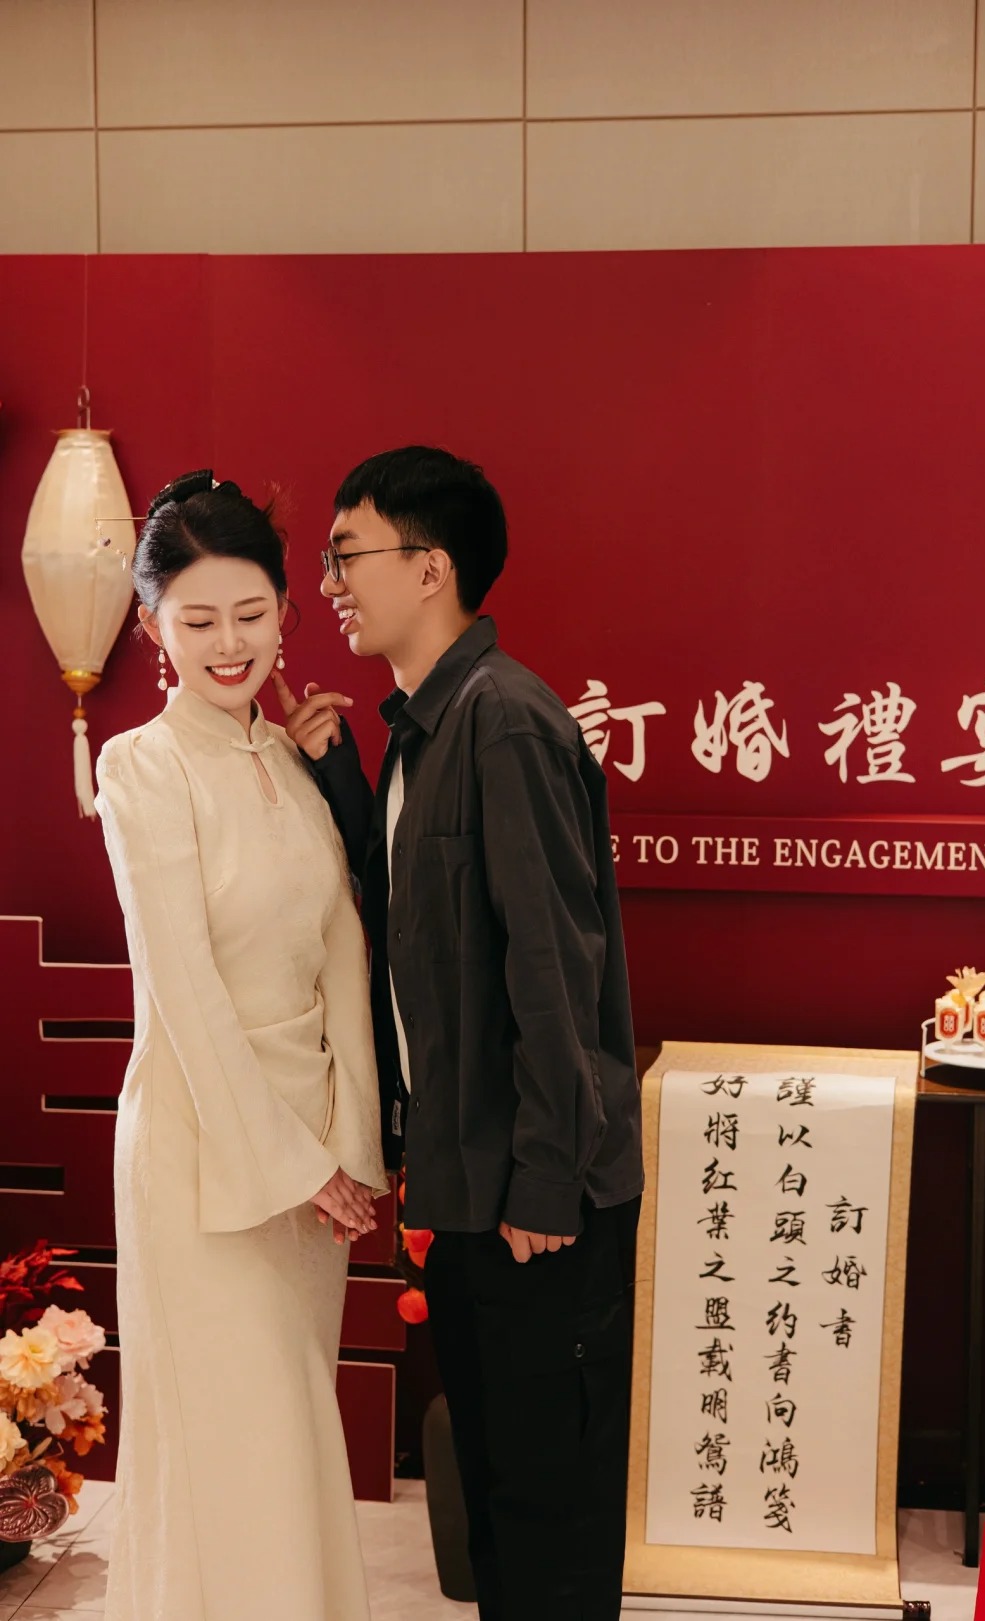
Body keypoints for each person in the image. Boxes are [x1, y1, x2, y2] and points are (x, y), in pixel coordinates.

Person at [274, 445, 644, 1621]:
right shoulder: (424, 732)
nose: (328, 582)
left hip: (538, 1199)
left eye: (347, 553)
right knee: (495, 1507)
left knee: (547, 1516)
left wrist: (546, 1181)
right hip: (467, 1182)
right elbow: (409, 926)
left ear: (430, 567)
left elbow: (557, 972)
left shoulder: (507, 721)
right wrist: (340, 779)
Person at [95, 471, 385, 1621]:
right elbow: (184, 989)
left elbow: (344, 957)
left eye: (252, 613)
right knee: (231, 1443)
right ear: (151, 626)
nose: (230, 644)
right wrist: (294, 1161)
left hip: (312, 1157)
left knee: (293, 1432)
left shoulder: (288, 755)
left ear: (285, 610)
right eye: (199, 619)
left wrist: (351, 1145)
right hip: (204, 1151)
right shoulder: (142, 765)